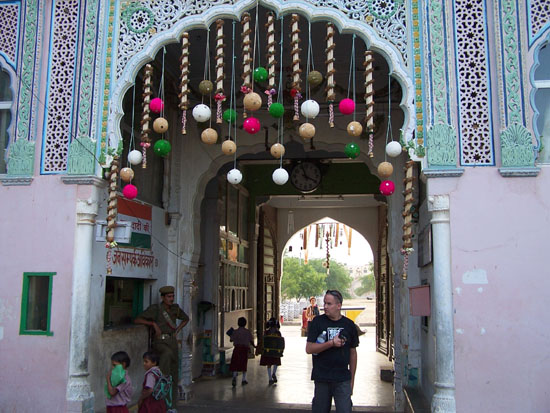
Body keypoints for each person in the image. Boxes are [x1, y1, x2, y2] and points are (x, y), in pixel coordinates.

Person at [306, 290, 359, 413]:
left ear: (339, 306)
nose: (325, 307)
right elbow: (309, 349)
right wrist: (331, 343)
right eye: (324, 303)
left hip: (342, 378)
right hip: (322, 377)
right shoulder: (317, 323)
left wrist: (352, 380)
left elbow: (353, 353)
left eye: (329, 304)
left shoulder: (349, 325)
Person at [134, 286, 189, 403]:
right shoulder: (156, 309)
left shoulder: (175, 309)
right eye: (169, 297)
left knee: (174, 373)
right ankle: (161, 398)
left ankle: (172, 404)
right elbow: (137, 319)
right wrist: (152, 323)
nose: (171, 299)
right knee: (166, 363)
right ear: (163, 297)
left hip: (172, 342)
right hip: (160, 342)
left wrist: (177, 330)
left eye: (172, 296)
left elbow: (186, 319)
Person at [229, 316, 255, 387]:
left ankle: (234, 377)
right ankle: (243, 379)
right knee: (243, 363)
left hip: (237, 348)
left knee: (235, 363)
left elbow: (231, 340)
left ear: (238, 323)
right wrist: (255, 346)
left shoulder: (235, 332)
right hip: (244, 349)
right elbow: (251, 340)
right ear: (245, 323)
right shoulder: (247, 332)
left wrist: (231, 334)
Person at [259, 317, 285, 385]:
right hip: (276, 351)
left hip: (268, 351)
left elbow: (263, 341)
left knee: (269, 364)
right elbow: (280, 342)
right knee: (276, 363)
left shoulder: (266, 332)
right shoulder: (278, 332)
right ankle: (274, 373)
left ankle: (270, 378)